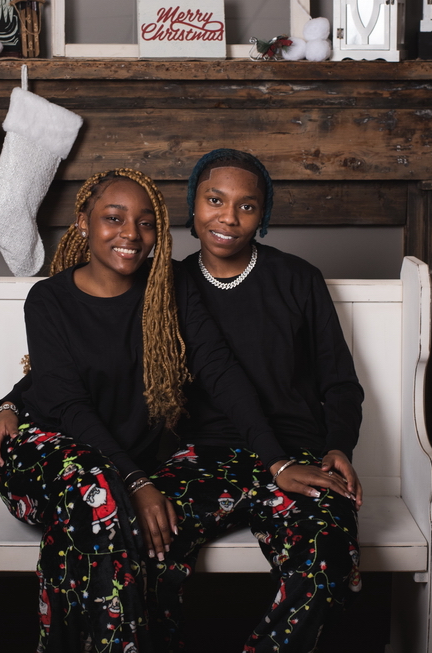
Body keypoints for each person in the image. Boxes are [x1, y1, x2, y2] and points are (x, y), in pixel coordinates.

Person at [0, 168, 297, 652]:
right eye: (114, 218)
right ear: (84, 222)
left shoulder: (168, 286)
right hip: (47, 456)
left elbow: (219, 370)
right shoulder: (48, 299)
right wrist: (136, 482)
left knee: (114, 516)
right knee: (100, 493)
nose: (131, 233)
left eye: (146, 222)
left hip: (118, 468)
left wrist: (277, 460)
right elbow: (66, 401)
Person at [145, 148, 366, 653]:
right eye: (214, 200)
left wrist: (338, 446)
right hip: (205, 456)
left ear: (262, 215)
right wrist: (10, 405)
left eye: (246, 206)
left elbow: (340, 383)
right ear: (192, 204)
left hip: (297, 455)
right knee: (144, 541)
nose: (228, 217)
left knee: (327, 557)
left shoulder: (298, 279)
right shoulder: (168, 285)